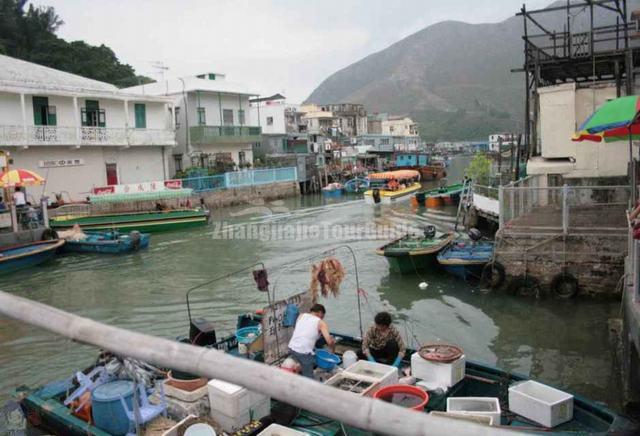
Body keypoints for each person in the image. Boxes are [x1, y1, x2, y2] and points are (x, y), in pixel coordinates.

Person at [288, 303, 335, 378]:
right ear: (320, 312)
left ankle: (298, 368)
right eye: (323, 316)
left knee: (309, 358)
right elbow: (329, 342)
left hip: (291, 348)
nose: (322, 318)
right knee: (309, 378)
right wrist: (333, 350)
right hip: (303, 353)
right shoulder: (320, 322)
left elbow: (303, 332)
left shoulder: (301, 316)